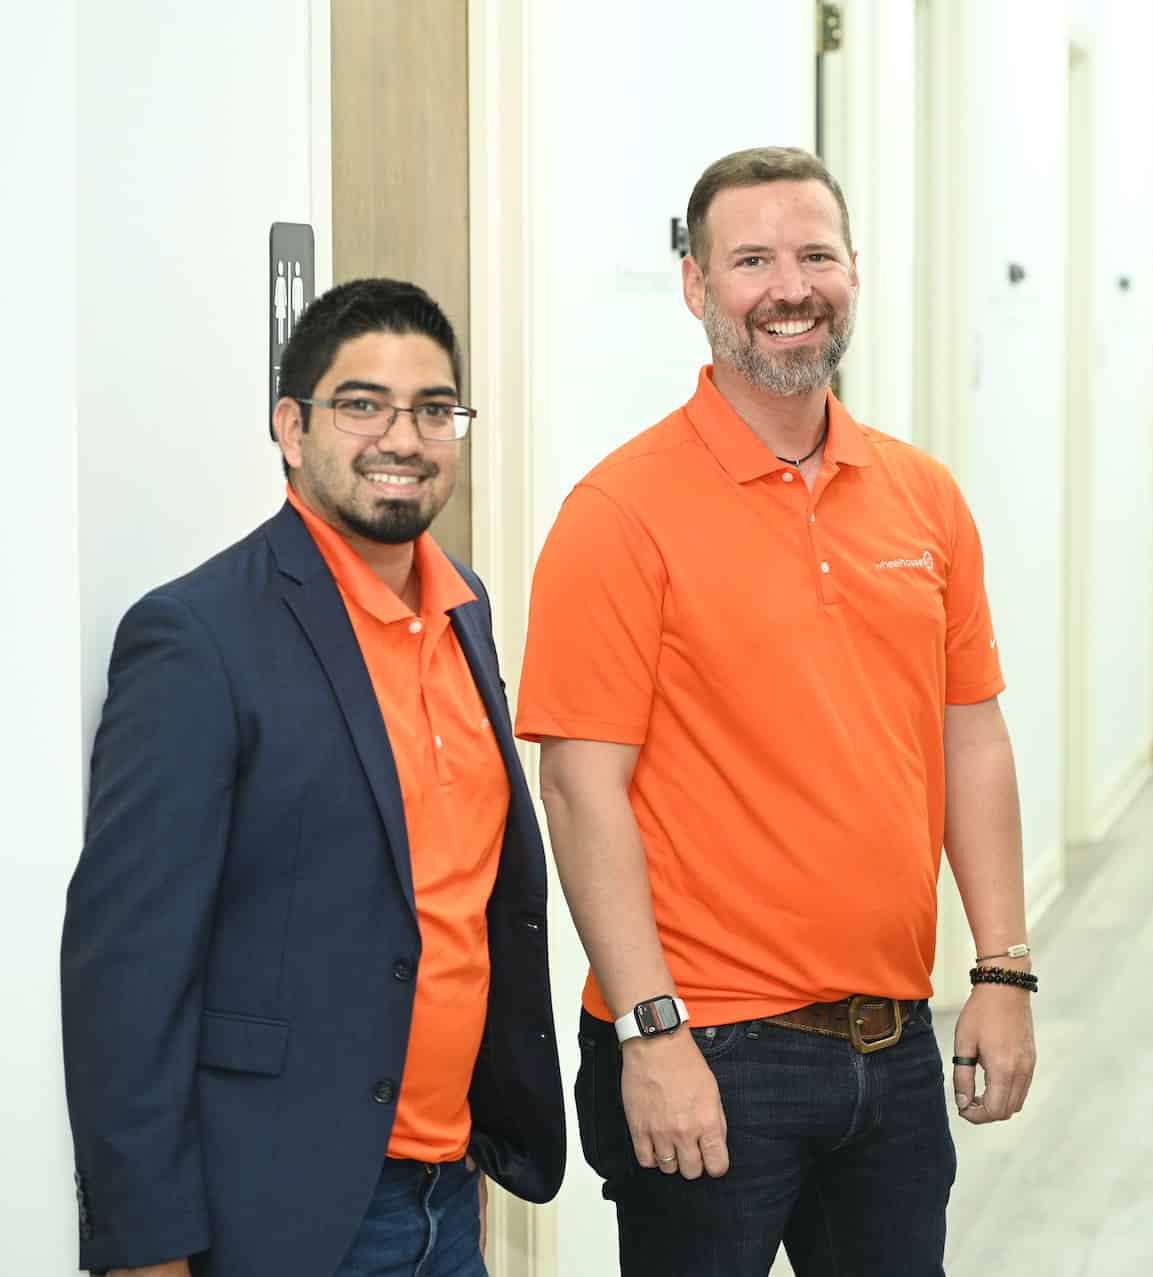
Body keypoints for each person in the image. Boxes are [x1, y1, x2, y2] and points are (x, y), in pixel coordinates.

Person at [516, 145, 1038, 1276]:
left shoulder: (923, 496)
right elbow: (579, 784)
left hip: (890, 1043)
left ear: (855, 271)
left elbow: (972, 736)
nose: (788, 287)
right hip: (704, 1046)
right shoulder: (620, 512)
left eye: (815, 254)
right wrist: (654, 1032)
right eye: (751, 259)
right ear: (698, 286)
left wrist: (1002, 968)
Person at [62, 278, 565, 1277]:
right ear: (292, 427)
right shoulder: (199, 635)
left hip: (450, 1191)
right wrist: (145, 1245)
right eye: (362, 403)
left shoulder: (467, 611)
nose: (404, 436)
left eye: (435, 408)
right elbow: (129, 966)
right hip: (287, 1204)